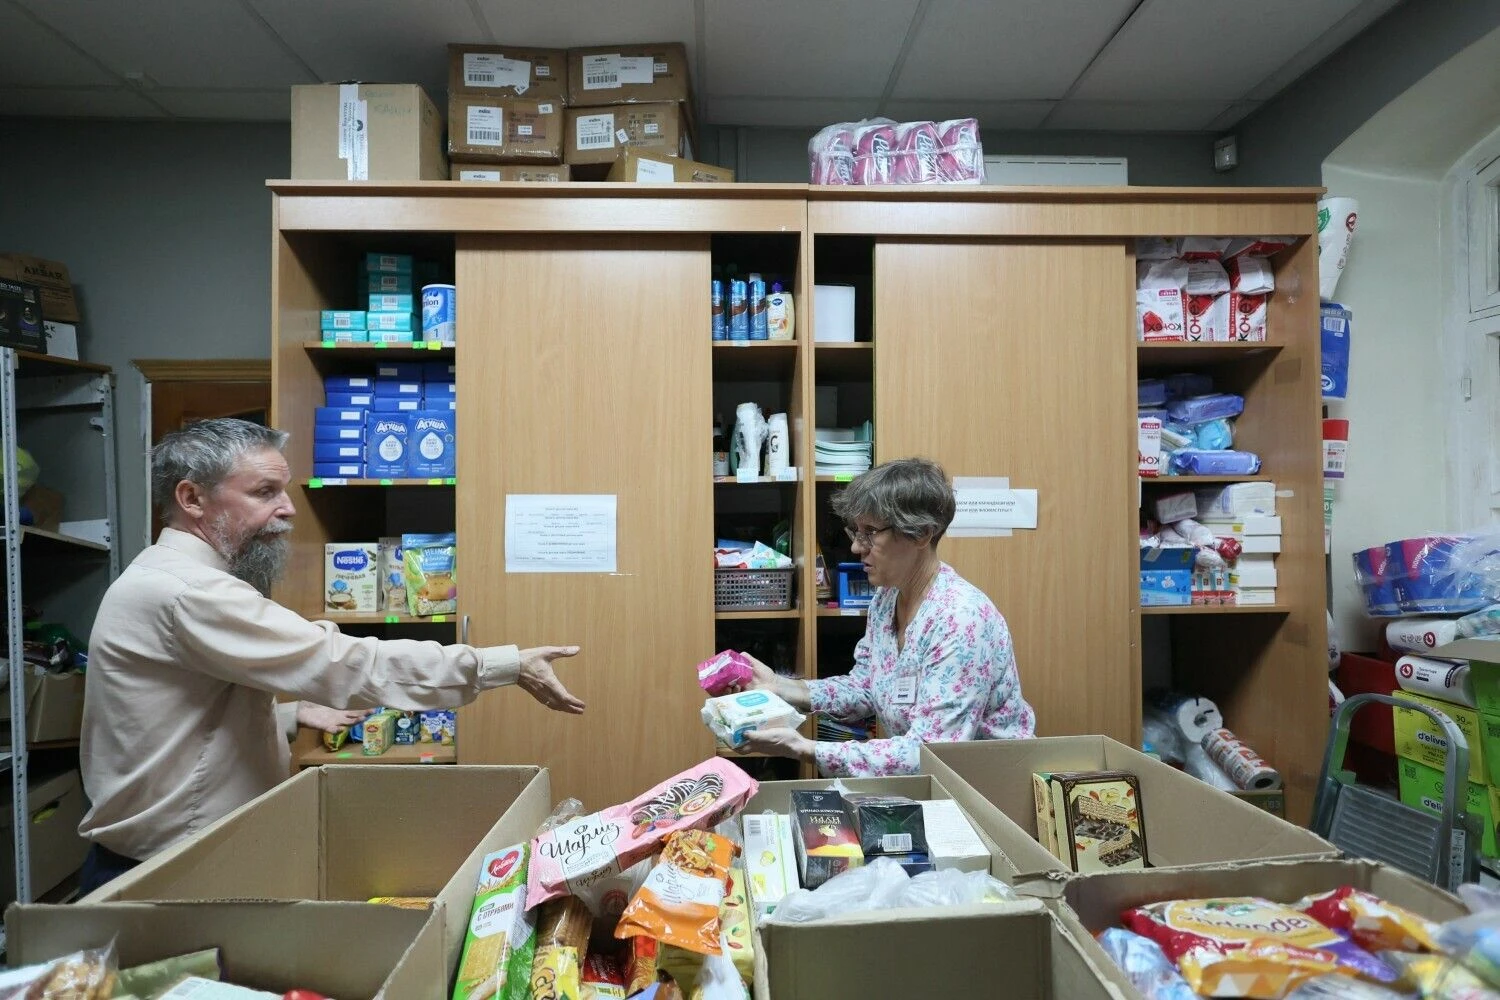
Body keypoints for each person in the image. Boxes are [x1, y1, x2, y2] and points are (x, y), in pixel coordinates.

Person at [78, 418, 584, 893]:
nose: (289, 508)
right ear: (192, 498)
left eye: (283, 489)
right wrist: (504, 664)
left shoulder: (168, 577)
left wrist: (289, 714)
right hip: (168, 870)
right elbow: (347, 662)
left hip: (170, 856)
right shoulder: (189, 592)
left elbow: (174, 716)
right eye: (263, 492)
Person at [737, 457, 1034, 776]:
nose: (855, 547)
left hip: (988, 790)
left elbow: (933, 752)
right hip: (930, 786)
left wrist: (804, 748)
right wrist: (780, 686)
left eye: (870, 533)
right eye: (855, 531)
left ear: (921, 534)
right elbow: (867, 687)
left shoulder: (961, 619)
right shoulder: (887, 598)